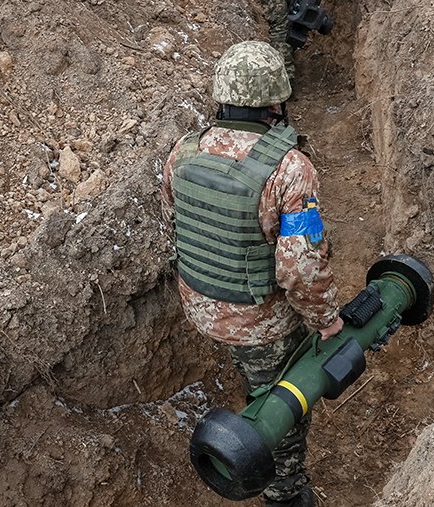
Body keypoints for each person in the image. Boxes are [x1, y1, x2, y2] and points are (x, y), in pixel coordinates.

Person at [161, 41, 343, 507]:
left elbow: (176, 219)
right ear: (276, 101)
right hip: (258, 324)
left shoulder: (183, 152)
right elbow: (300, 267)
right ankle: (285, 494)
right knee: (283, 407)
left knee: (252, 366)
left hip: (197, 301)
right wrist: (325, 321)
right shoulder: (290, 169)